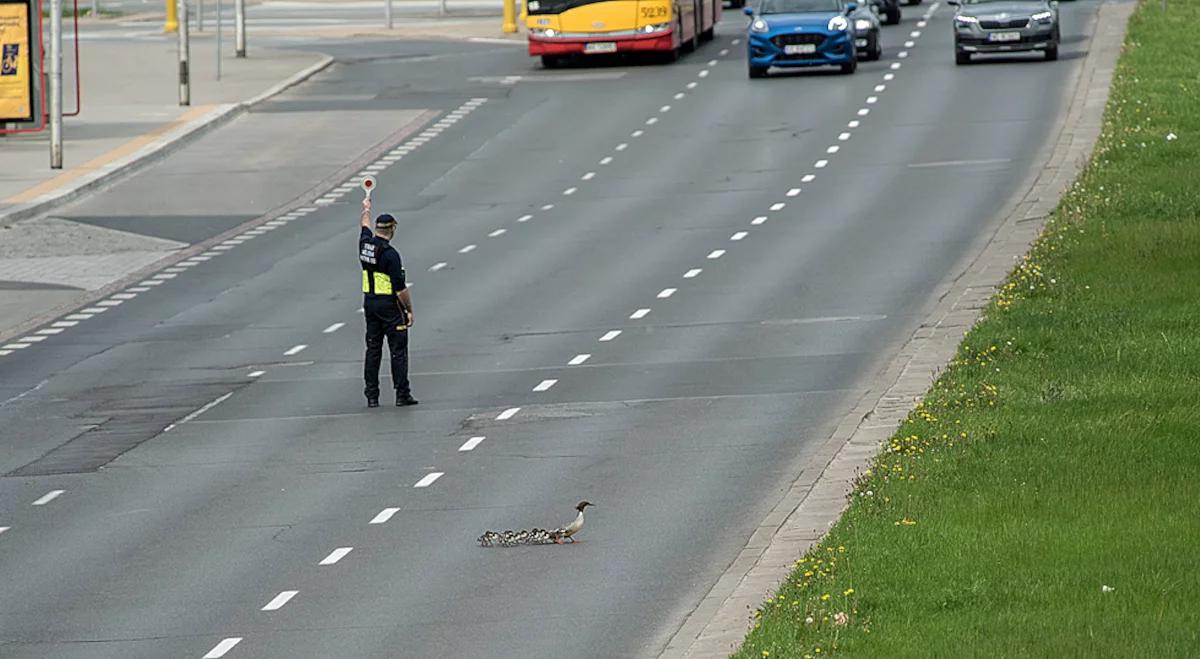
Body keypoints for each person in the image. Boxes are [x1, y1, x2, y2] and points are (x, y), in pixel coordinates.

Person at [359, 197, 417, 408]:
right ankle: (402, 393)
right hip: (390, 307)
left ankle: (372, 395)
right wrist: (409, 310)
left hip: (370, 304)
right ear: (392, 229)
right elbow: (400, 288)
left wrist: (366, 208)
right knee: (398, 350)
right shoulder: (391, 255)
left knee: (373, 349)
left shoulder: (365, 245)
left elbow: (364, 224)